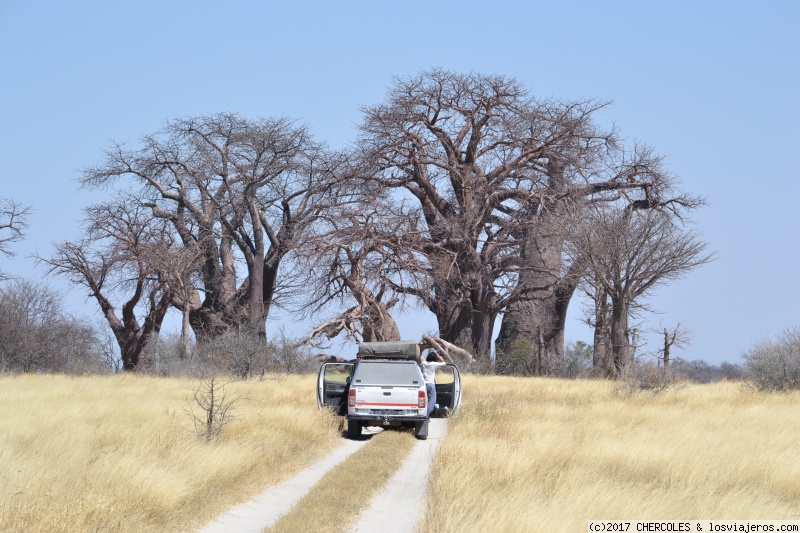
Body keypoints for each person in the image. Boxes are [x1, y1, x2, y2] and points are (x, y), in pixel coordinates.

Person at [420, 350, 446, 416]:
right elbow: (444, 363)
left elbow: (421, 358)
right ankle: (426, 415)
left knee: (424, 400)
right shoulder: (434, 364)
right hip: (431, 384)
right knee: (432, 401)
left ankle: (422, 413)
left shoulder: (423, 363)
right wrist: (439, 357)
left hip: (423, 385)